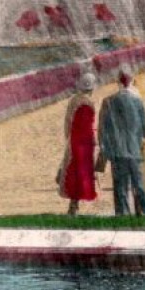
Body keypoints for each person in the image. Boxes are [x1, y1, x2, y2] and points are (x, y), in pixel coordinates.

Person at [97, 70, 145, 217]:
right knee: (139, 186)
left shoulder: (108, 102)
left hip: (117, 151)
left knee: (120, 188)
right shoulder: (138, 101)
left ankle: (123, 216)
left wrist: (104, 148)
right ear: (132, 81)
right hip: (134, 150)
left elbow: (102, 129)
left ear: (118, 82)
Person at [57, 71, 98, 216]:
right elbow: (90, 126)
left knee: (73, 171)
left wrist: (69, 138)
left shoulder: (73, 101)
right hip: (85, 143)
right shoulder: (89, 103)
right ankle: (74, 205)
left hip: (74, 141)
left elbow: (68, 123)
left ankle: (73, 205)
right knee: (82, 173)